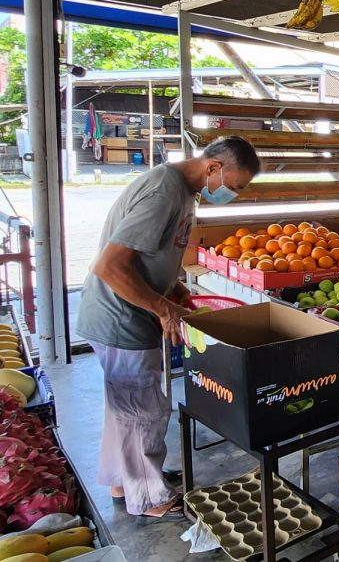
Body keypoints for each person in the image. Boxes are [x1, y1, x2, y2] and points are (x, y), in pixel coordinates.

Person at [75, 137, 260, 519]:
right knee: (142, 408)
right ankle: (147, 497)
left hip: (129, 312)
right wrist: (163, 309)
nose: (233, 195)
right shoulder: (163, 191)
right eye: (235, 186)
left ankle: (123, 480)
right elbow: (110, 266)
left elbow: (155, 254)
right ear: (213, 168)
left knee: (123, 406)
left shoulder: (184, 192)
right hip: (120, 317)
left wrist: (173, 289)